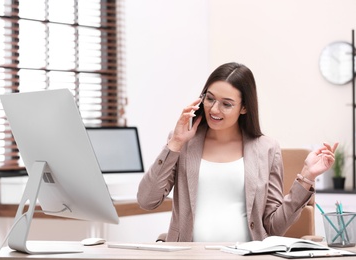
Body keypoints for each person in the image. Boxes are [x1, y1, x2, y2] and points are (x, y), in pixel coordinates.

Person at [137, 62, 338, 242]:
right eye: (210, 98)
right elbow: (147, 201)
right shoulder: (184, 143)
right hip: (189, 255)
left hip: (246, 255)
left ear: (244, 108)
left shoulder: (267, 148)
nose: (214, 110)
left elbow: (273, 227)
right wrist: (175, 143)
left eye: (226, 104)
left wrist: (307, 176)